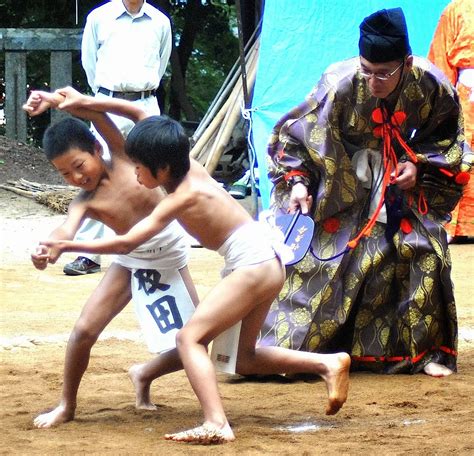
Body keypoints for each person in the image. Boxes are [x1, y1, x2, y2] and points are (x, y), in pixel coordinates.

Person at [39, 100, 351, 444]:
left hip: (249, 262)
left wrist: (68, 248)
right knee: (240, 359)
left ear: (161, 167)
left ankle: (216, 422)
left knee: (189, 338)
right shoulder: (190, 172)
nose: (138, 175)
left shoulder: (178, 196)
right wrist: (54, 244)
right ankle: (328, 364)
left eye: (141, 168)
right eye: (65, 174)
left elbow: (127, 241)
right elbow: (144, 121)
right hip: (258, 260)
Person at [259, 8, 472, 378]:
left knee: (426, 250)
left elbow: (451, 138)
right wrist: (297, 182)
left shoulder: (431, 83)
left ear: (405, 63)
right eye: (367, 70)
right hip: (339, 182)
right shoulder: (339, 84)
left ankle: (421, 353)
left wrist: (418, 165)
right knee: (327, 258)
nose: (373, 81)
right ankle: (287, 354)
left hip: (399, 184)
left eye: (384, 73)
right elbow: (296, 139)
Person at [23, 87, 198, 428]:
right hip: (130, 258)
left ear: (96, 149)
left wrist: (55, 99)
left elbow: (97, 114)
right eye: (64, 174)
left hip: (170, 255)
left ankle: (144, 374)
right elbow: (65, 232)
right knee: (83, 330)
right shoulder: (84, 200)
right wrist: (45, 248)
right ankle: (66, 404)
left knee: (194, 340)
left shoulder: (121, 153)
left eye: (78, 165)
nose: (76, 177)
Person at [65, 0, 172, 276]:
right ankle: (87, 254)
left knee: (154, 171)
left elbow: (160, 65)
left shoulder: (160, 22)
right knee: (97, 172)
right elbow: (90, 64)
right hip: (106, 103)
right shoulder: (99, 17)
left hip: (145, 104)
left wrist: (140, 95)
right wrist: (104, 99)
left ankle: (154, 244)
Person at [428, 0, 474, 242]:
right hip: (468, 100)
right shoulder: (457, 9)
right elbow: (440, 64)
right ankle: (458, 227)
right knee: (463, 155)